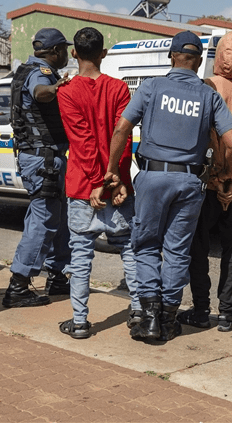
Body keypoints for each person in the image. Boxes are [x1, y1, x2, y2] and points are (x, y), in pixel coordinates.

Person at [100, 30, 232, 342]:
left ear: (172, 56)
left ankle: (149, 318)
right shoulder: (209, 94)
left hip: (153, 177)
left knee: (147, 244)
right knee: (177, 250)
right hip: (191, 181)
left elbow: (122, 127)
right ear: (199, 60)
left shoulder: (152, 87)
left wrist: (113, 170)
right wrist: (228, 180)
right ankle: (168, 317)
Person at [179, 32, 232, 333]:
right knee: (231, 248)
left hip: (208, 181)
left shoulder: (209, 86)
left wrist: (218, 178)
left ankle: (201, 310)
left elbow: (210, 136)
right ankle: (227, 312)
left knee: (199, 245)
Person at [55, 27, 138, 339]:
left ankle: (79, 322)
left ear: (74, 53)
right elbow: (124, 137)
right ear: (104, 53)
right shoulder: (119, 89)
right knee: (129, 248)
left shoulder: (66, 91)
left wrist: (95, 183)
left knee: (80, 252)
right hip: (117, 185)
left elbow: (82, 142)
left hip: (83, 186)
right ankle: (140, 310)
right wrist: (115, 180)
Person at [4, 28, 73, 308]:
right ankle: (18, 285)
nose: (67, 54)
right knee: (43, 222)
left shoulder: (27, 68)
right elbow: (41, 93)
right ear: (55, 51)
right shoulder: (41, 74)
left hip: (46, 157)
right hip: (42, 159)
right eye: (64, 50)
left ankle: (57, 276)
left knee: (58, 220)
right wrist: (56, 88)